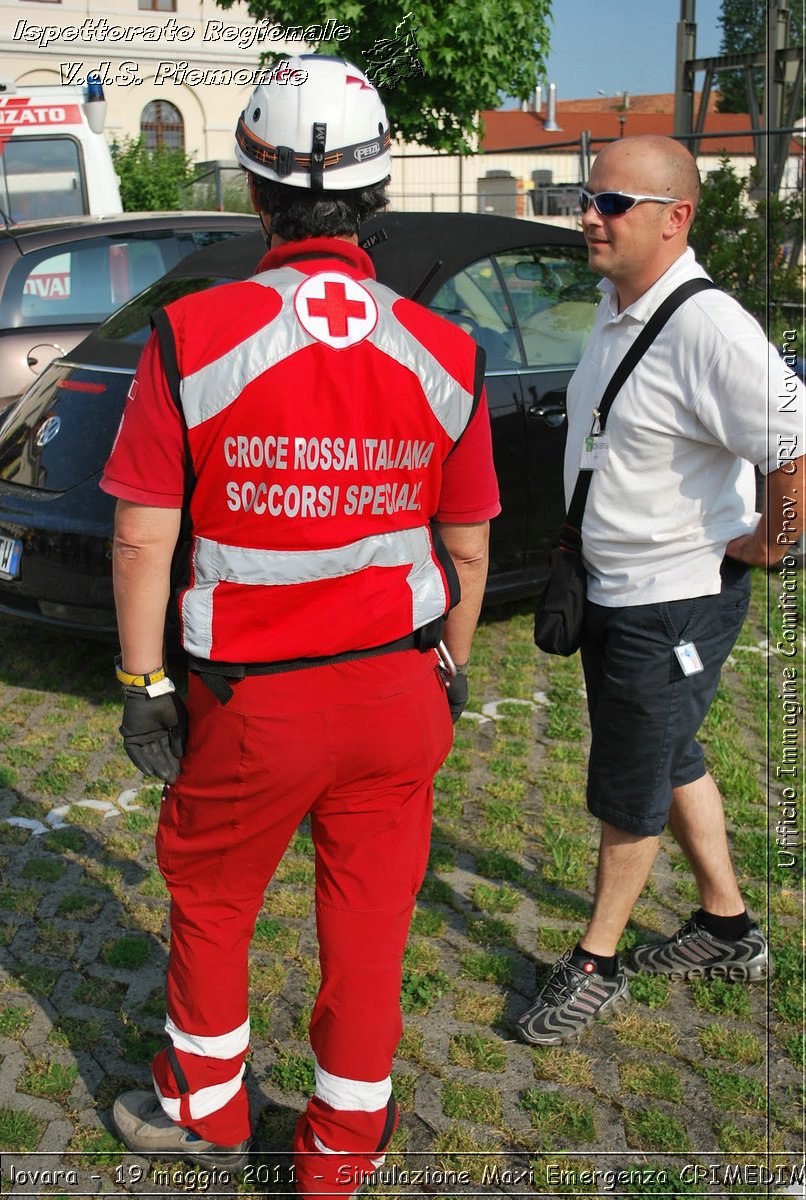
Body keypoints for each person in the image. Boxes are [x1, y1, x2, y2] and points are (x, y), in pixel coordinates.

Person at [100, 56, 499, 1194]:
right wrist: (454, 667)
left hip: (254, 701)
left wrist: (143, 688)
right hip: (399, 691)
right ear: (377, 193)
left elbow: (141, 538)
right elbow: (466, 545)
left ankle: (208, 1110)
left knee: (215, 903)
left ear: (253, 190)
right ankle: (338, 1155)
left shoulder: (192, 334)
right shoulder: (448, 348)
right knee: (372, 927)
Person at [517, 134, 804, 1046]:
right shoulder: (616, 304)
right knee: (669, 750)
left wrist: (773, 543)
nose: (588, 217)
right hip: (616, 586)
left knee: (630, 777)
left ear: (677, 217)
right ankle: (727, 928)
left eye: (612, 203)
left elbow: (793, 444)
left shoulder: (709, 327)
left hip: (674, 598)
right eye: (585, 197)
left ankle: (596, 961)